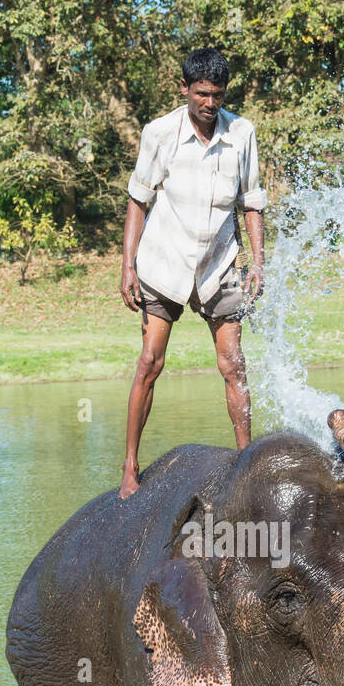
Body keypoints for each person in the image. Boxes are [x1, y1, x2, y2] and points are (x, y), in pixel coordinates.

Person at [118, 46, 267, 498]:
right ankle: (129, 467)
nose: (209, 103)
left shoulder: (242, 133)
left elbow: (252, 202)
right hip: (164, 262)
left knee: (233, 364)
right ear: (184, 88)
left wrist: (258, 262)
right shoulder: (159, 133)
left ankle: (245, 464)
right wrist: (128, 265)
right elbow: (138, 200)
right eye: (201, 94)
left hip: (219, 262)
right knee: (150, 362)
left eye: (217, 95)